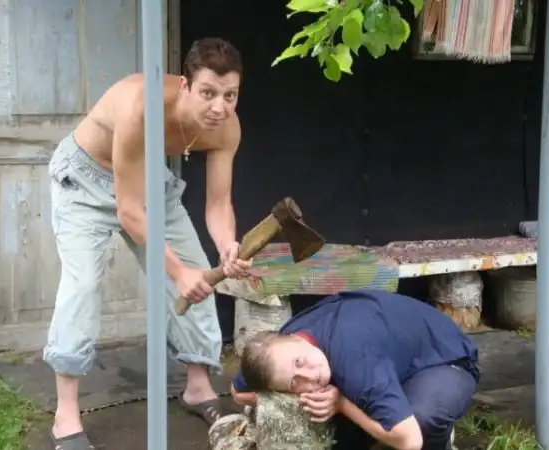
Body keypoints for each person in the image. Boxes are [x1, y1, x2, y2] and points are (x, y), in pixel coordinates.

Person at [44, 37, 252, 449]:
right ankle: (65, 414)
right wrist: (177, 272)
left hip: (147, 177)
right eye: (208, 93)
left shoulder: (228, 127)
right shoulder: (141, 105)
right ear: (185, 85)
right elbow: (130, 212)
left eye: (230, 95)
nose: (219, 107)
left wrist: (227, 244)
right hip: (84, 179)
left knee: (199, 270)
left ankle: (197, 387)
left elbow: (218, 203)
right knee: (82, 286)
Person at [231, 289, 480, 450]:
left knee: (423, 420)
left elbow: (410, 440)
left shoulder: (355, 359)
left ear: (297, 339)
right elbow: (237, 391)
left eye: (299, 362)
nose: (310, 375)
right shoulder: (277, 350)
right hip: (385, 359)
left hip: (443, 358)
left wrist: (342, 404)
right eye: (294, 383)